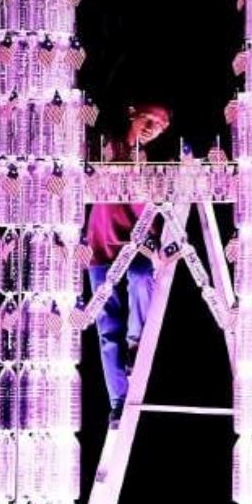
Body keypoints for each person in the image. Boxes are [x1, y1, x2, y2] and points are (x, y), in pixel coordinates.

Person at [84, 105, 171, 424]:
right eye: (149, 119)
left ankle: (137, 343)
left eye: (160, 126)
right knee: (107, 329)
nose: (153, 127)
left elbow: (152, 214)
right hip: (101, 246)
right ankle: (118, 401)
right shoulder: (109, 145)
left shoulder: (152, 167)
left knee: (140, 275)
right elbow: (97, 152)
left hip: (136, 245)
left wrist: (157, 245)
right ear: (132, 113)